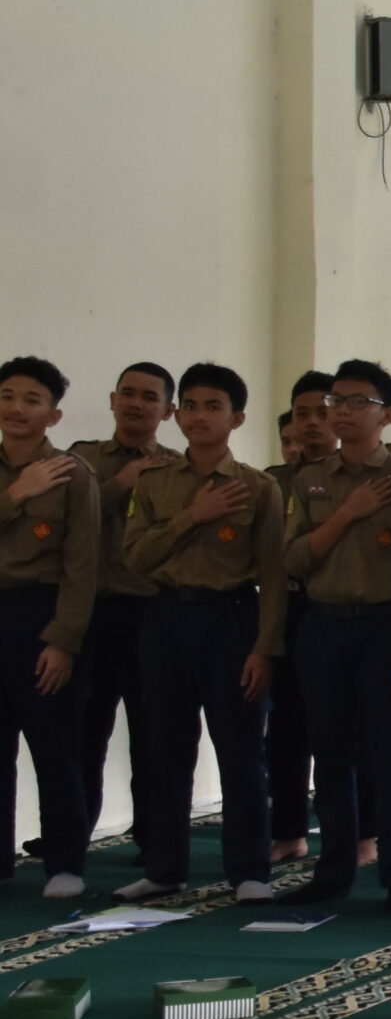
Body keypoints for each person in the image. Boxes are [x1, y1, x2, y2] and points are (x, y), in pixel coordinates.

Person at [119, 363, 287, 902]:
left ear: (236, 418)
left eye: (213, 407)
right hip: (166, 617)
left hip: (231, 620)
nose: (198, 416)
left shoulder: (258, 487)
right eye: (189, 405)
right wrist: (193, 516)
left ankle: (250, 871)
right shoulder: (154, 481)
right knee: (165, 748)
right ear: (177, 414)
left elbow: (274, 575)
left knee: (241, 751)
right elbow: (135, 558)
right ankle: (165, 867)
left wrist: (265, 647)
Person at [279, 359, 391, 910]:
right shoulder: (310, 479)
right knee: (331, 753)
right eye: (336, 401)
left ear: (388, 415)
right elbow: (294, 559)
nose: (342, 411)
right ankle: (334, 869)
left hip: (386, 626)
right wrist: (346, 514)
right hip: (323, 624)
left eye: (357, 402)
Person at [0, 357, 100, 899]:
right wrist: (16, 493)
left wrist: (64, 640)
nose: (16, 408)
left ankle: (65, 862)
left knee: (56, 748)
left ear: (53, 415)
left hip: (41, 617)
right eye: (7, 396)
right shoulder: (21, 479)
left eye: (31, 399)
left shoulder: (72, 474)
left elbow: (82, 566)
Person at [70, 362, 176, 870]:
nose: (136, 404)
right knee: (81, 731)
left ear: (168, 410)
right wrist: (120, 483)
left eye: (149, 397)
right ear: (112, 400)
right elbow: (70, 521)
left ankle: (153, 837)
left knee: (152, 732)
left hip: (150, 610)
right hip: (89, 611)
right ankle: (72, 834)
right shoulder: (82, 459)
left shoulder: (179, 468)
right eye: (128, 394)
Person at [265, 370, 332, 867]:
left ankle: (360, 833)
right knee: (285, 726)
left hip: (332, 607)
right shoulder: (272, 482)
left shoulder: (354, 477)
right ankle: (289, 831)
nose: (311, 423)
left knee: (340, 729)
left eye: (322, 413)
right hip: (283, 606)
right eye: (302, 414)